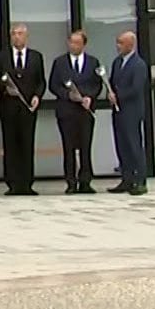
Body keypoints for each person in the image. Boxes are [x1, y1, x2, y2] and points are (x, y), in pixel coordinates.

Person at [0, 23, 46, 196]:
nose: (17, 37)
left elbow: (41, 81)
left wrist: (37, 95)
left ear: (26, 36)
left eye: (20, 34)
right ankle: (13, 183)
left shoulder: (36, 57)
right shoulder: (1, 56)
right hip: (9, 107)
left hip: (28, 108)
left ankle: (27, 183)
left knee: (27, 145)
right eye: (14, 34)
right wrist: (3, 88)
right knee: (11, 145)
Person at [49, 30, 105, 195]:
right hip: (67, 111)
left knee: (86, 147)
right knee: (69, 148)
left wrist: (89, 96)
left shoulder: (93, 62)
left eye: (77, 43)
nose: (73, 45)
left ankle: (85, 181)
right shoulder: (59, 62)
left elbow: (97, 85)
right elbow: (54, 85)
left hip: (85, 111)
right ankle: (71, 182)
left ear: (83, 44)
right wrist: (68, 95)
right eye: (71, 42)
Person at [108, 31, 149, 196]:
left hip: (131, 111)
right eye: (117, 42)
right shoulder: (117, 62)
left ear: (130, 44)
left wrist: (119, 95)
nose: (118, 46)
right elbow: (113, 82)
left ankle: (140, 180)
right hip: (118, 110)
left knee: (134, 145)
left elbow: (136, 88)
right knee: (122, 145)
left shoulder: (138, 64)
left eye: (121, 42)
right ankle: (126, 178)